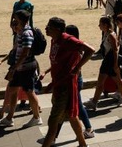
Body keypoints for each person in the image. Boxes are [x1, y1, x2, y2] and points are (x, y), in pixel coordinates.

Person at [39, 17, 95, 147]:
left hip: (66, 86)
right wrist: (52, 82)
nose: (46, 29)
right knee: (72, 116)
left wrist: (76, 68)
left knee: (53, 121)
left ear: (58, 30)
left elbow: (90, 50)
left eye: (49, 27)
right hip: (59, 84)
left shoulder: (68, 40)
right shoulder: (54, 40)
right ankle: (82, 144)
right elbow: (57, 63)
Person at [0, 10, 42, 127]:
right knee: (12, 90)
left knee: (30, 92)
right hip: (19, 68)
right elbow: (15, 50)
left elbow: (25, 53)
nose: (14, 21)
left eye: (15, 19)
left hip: (26, 68)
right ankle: (9, 118)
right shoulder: (20, 32)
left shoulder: (27, 33)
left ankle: (37, 117)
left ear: (21, 20)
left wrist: (14, 68)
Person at [84, 16, 122, 111]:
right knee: (101, 82)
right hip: (107, 60)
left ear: (105, 25)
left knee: (118, 80)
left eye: (100, 24)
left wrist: (116, 64)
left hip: (111, 61)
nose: (99, 25)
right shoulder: (106, 33)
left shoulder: (111, 35)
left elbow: (116, 50)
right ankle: (94, 102)